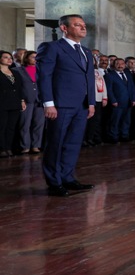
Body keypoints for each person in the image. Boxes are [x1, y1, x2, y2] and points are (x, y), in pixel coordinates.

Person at [35, 14, 96, 196]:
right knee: (56, 143)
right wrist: (48, 103)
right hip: (60, 105)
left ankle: (68, 178)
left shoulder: (85, 51)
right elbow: (44, 76)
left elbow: (89, 79)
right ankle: (54, 182)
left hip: (82, 106)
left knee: (73, 144)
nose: (83, 28)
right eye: (77, 25)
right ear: (64, 28)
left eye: (83, 25)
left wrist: (91, 102)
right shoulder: (51, 48)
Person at [14, 50, 44, 154]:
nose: (35, 59)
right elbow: (17, 87)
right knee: (24, 124)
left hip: (40, 100)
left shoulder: (42, 70)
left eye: (37, 57)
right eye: (33, 57)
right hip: (26, 100)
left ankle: (36, 146)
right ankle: (25, 146)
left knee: (38, 124)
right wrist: (21, 99)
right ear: (26, 58)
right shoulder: (17, 70)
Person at [0, 51, 27, 157]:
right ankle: (1, 148)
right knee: (2, 126)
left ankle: (8, 148)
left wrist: (22, 100)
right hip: (2, 103)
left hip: (15, 102)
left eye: (10, 57)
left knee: (11, 127)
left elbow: (20, 88)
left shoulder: (15, 72)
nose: (9, 59)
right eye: (6, 57)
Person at [105, 57, 135, 143]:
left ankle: (124, 135)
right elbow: (109, 90)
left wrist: (134, 99)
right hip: (117, 102)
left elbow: (132, 87)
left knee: (126, 120)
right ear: (114, 65)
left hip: (128, 102)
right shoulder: (109, 75)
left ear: (125, 65)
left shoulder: (128, 74)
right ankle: (113, 137)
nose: (120, 66)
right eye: (117, 64)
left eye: (122, 64)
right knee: (115, 121)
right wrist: (113, 100)